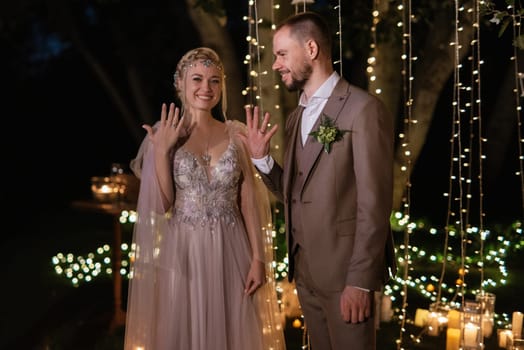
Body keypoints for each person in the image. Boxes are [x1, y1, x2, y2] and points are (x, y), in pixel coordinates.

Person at [242, 12, 397, 350]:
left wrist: (360, 282)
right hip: (306, 272)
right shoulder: (297, 116)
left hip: (345, 275)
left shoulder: (363, 109)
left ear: (311, 48)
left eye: (282, 54)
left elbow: (374, 205)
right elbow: (297, 194)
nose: (276, 65)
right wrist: (261, 160)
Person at [123, 47, 286, 350]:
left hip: (232, 247)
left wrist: (258, 258)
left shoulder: (237, 134)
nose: (206, 88)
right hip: (185, 251)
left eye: (214, 80)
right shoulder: (166, 134)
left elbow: (248, 199)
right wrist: (161, 151)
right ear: (180, 84)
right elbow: (162, 206)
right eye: (197, 79)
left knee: (233, 330)